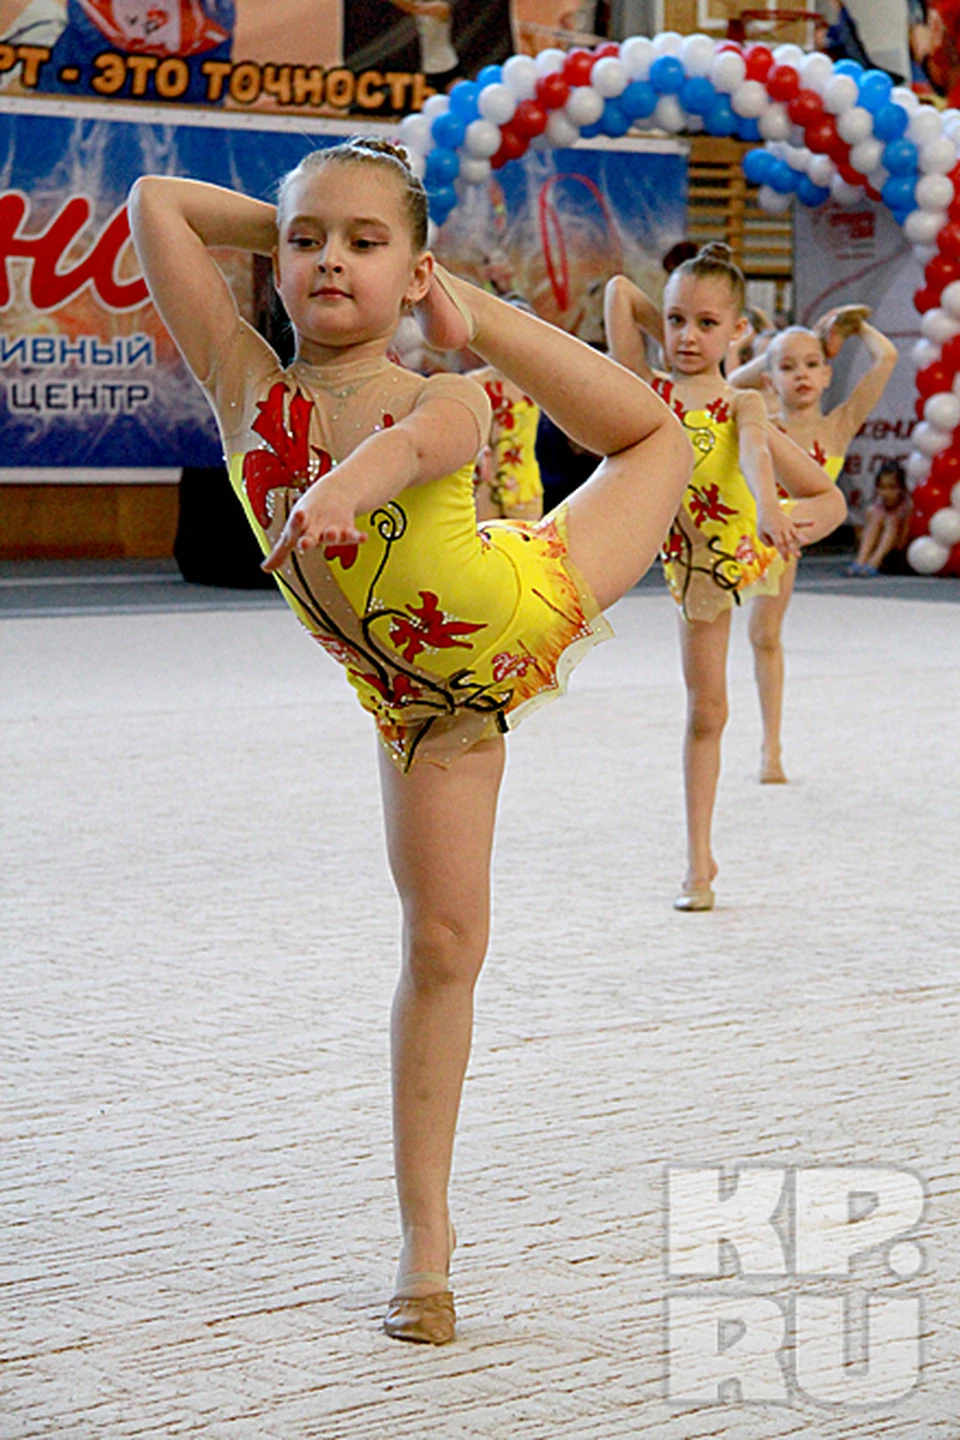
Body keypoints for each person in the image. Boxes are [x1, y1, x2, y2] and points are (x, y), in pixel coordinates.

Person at [128, 137, 692, 1346]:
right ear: (273, 266)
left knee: (660, 442)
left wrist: (373, 445)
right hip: (424, 709)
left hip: (522, 596)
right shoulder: (244, 384)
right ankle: (425, 1237)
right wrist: (306, 213)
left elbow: (415, 452)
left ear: (415, 270)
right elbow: (155, 201)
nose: (331, 258)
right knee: (442, 943)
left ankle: (479, 303)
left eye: (364, 243)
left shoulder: (441, 395)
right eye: (306, 243)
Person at [604, 244, 847, 911]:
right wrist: (679, 318)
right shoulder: (646, 390)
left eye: (707, 324)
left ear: (740, 332)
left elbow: (788, 475)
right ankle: (698, 861)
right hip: (695, 569)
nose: (686, 336)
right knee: (707, 710)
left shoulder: (743, 400)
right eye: (678, 320)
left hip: (747, 542)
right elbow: (621, 292)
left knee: (766, 641)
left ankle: (770, 750)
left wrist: (782, 515)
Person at [729, 306, 897, 780]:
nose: (800, 374)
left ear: (827, 375)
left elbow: (886, 358)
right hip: (738, 527)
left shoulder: (837, 426)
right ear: (769, 379)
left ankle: (771, 746)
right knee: (718, 633)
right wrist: (766, 360)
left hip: (782, 544)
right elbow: (726, 387)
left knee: (764, 636)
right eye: (786, 367)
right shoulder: (758, 418)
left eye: (809, 364)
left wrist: (851, 325)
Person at [470, 363, 544, 523]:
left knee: (526, 544)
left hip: (524, 481)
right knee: (482, 542)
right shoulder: (475, 383)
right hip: (485, 480)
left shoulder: (537, 381)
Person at [847, 461, 913, 575]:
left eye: (892, 488)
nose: (886, 493)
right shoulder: (878, 505)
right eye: (882, 488)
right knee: (875, 516)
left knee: (891, 521)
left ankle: (874, 562)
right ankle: (861, 561)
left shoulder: (907, 506)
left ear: (902, 489)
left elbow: (903, 540)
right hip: (876, 549)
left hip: (897, 554)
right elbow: (863, 534)